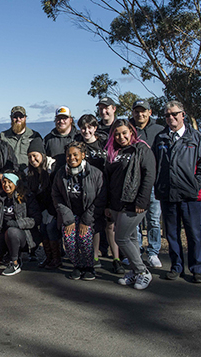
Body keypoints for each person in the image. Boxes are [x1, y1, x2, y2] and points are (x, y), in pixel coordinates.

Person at [153, 100, 201, 283]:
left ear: (183, 115)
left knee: (194, 234)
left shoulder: (195, 137)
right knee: (171, 234)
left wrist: (196, 184)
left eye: (174, 114)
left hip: (190, 196)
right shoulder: (161, 138)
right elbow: (153, 164)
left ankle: (197, 268)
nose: (171, 118)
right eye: (167, 115)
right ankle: (176, 266)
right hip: (167, 194)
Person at [104, 119, 156, 290]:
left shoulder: (141, 149)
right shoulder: (113, 151)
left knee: (121, 237)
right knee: (132, 238)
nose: (121, 137)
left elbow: (149, 176)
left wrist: (142, 200)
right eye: (117, 134)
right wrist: (108, 204)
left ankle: (142, 272)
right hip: (117, 202)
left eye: (124, 132)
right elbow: (110, 178)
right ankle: (135, 271)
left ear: (132, 132)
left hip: (134, 203)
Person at [52, 141, 106, 281]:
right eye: (69, 155)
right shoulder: (61, 174)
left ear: (83, 155)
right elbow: (56, 196)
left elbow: (100, 198)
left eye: (75, 155)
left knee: (84, 238)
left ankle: (89, 267)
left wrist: (86, 220)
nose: (72, 158)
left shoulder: (95, 174)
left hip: (89, 215)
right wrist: (68, 219)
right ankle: (77, 266)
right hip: (69, 214)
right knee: (69, 240)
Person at [129, 99, 165, 268]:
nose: (139, 114)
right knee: (134, 222)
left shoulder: (159, 130)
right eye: (136, 111)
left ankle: (153, 252)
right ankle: (135, 251)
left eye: (143, 111)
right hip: (133, 184)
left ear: (150, 112)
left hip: (153, 184)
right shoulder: (128, 129)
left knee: (153, 221)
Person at [0, 173, 41, 276]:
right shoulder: (1, 198)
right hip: (6, 234)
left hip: (24, 235)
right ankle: (9, 254)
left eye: (9, 182)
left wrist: (18, 223)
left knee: (12, 231)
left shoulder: (26, 197)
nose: (6, 185)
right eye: (4, 182)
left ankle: (15, 263)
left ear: (16, 183)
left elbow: (36, 219)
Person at [75, 114, 108, 267]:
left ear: (95, 128)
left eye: (89, 127)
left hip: (105, 188)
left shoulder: (104, 144)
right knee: (92, 224)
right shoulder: (78, 145)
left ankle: (116, 257)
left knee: (109, 225)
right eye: (83, 127)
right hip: (86, 190)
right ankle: (93, 256)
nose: (86, 131)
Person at [25, 138, 60, 270]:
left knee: (50, 229)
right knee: (44, 230)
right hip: (43, 208)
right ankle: (49, 257)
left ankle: (56, 259)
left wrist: (53, 211)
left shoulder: (52, 168)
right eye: (30, 157)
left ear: (42, 154)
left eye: (35, 155)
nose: (33, 159)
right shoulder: (31, 173)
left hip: (54, 207)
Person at [0, 106, 42, 172]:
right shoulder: (3, 136)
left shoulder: (34, 136)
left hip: (29, 174)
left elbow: (42, 157)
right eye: (15, 117)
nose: (18, 119)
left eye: (21, 116)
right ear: (11, 118)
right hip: (9, 174)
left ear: (25, 118)